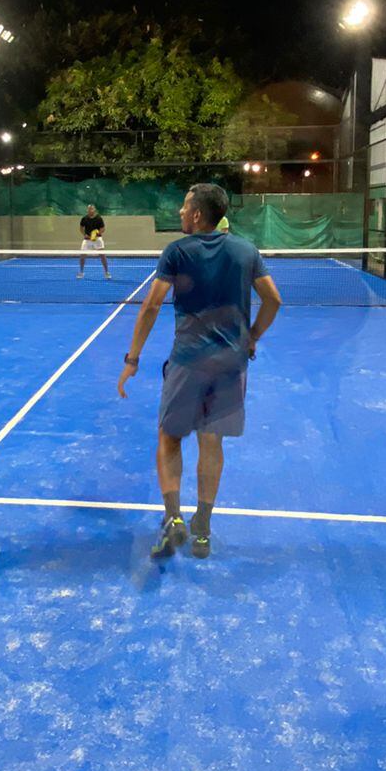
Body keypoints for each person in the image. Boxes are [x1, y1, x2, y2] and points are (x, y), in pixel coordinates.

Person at [117, 182, 281, 559]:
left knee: (169, 437)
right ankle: (202, 526)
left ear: (196, 214)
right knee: (211, 442)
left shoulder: (177, 252)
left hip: (188, 363)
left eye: (183, 207)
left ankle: (174, 518)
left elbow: (151, 307)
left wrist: (132, 360)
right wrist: (252, 336)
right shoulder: (246, 250)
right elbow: (273, 299)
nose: (178, 213)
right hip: (230, 365)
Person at [77, 202, 111, 280]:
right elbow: (81, 228)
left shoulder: (99, 218)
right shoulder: (84, 218)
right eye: (89, 209)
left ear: (94, 210)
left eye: (92, 209)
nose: (90, 210)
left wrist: (96, 234)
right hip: (87, 239)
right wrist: (84, 234)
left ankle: (107, 272)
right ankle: (81, 272)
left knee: (102, 255)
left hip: (97, 239)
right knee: (82, 255)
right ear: (87, 210)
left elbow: (103, 229)